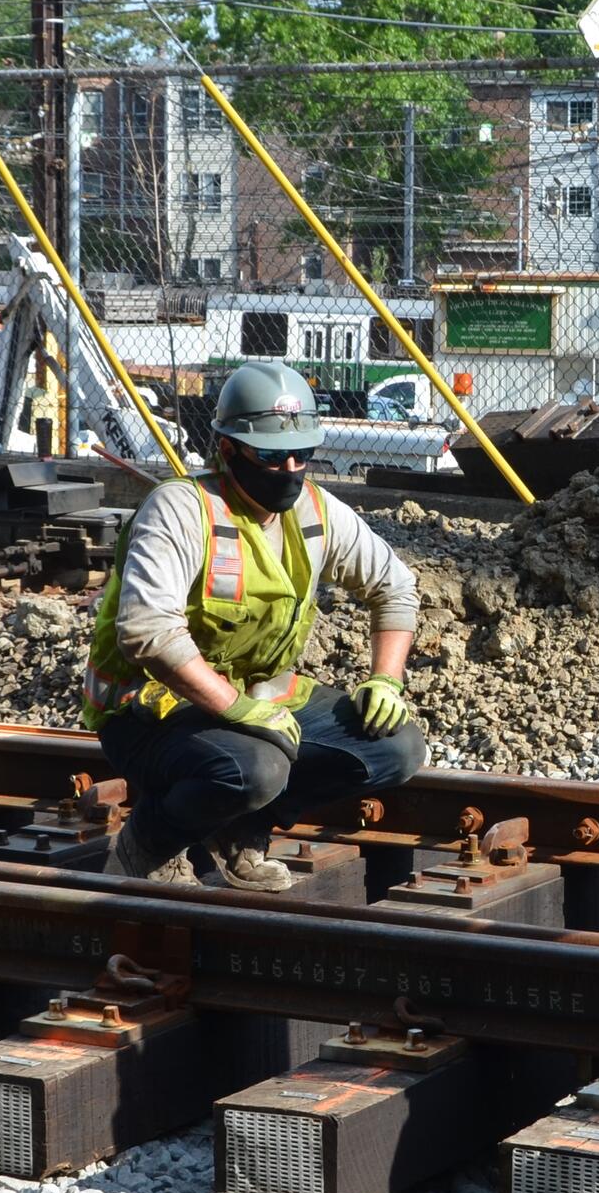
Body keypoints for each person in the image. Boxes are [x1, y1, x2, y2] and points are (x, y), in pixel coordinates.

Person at [82, 360, 424, 891]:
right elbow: (147, 630)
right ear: (228, 450)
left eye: (301, 455)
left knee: (396, 747)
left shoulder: (314, 511)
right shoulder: (179, 510)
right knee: (257, 769)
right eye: (269, 455)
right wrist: (239, 710)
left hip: (256, 699)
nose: (289, 467)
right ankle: (149, 843)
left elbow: (395, 587)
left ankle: (240, 827)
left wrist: (386, 678)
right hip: (149, 712)